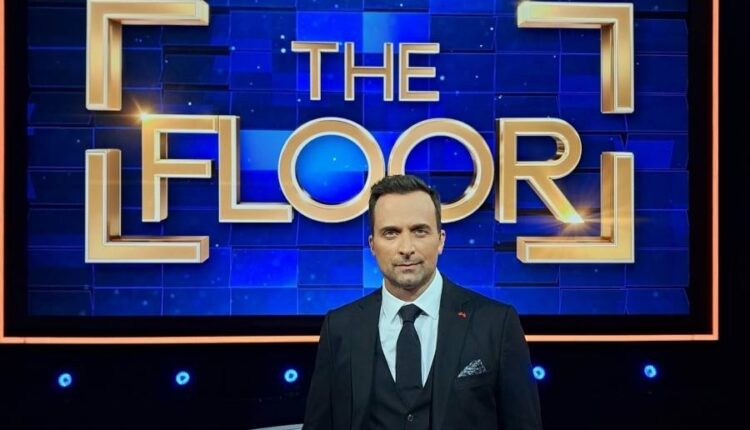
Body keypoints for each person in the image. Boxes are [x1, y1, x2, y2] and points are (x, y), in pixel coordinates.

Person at [303, 174, 542, 429]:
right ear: (372, 245)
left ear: (441, 240)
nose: (406, 248)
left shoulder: (496, 323)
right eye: (391, 233)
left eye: (419, 231)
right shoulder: (340, 327)